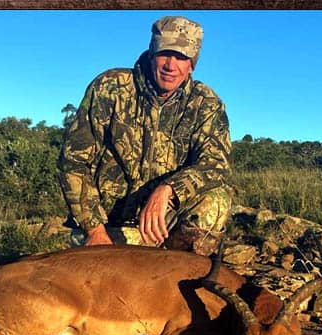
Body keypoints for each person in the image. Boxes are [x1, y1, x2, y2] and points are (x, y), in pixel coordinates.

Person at [58, 16, 234, 256]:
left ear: (192, 64)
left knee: (217, 200)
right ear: (152, 54)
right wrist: (94, 230)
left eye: (182, 57)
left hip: (163, 227)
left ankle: (176, 265)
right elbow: (73, 161)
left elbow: (215, 165)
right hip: (107, 228)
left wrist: (168, 189)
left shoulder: (206, 103)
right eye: (165, 54)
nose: (171, 66)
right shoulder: (111, 86)